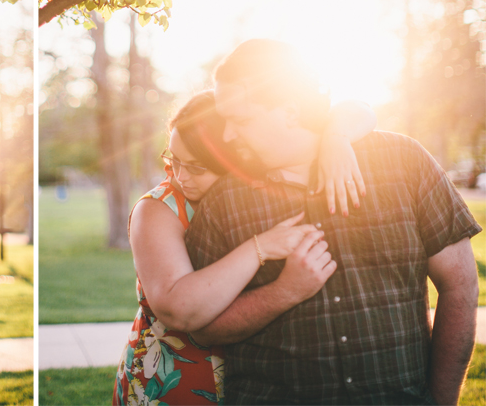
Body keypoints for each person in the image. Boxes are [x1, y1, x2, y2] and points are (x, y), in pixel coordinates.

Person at [185, 39, 481, 405]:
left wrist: (441, 400)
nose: (228, 134)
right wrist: (282, 293)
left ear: (290, 112)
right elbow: (203, 327)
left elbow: (460, 285)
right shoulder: (225, 201)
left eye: (241, 120)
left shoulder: (405, 162)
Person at [114, 90, 375, 406]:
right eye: (173, 160)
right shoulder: (159, 208)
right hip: (172, 381)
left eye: (197, 167)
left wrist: (336, 139)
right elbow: (176, 308)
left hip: (255, 379)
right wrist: (260, 247)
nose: (181, 177)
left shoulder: (253, 190)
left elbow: (359, 108)